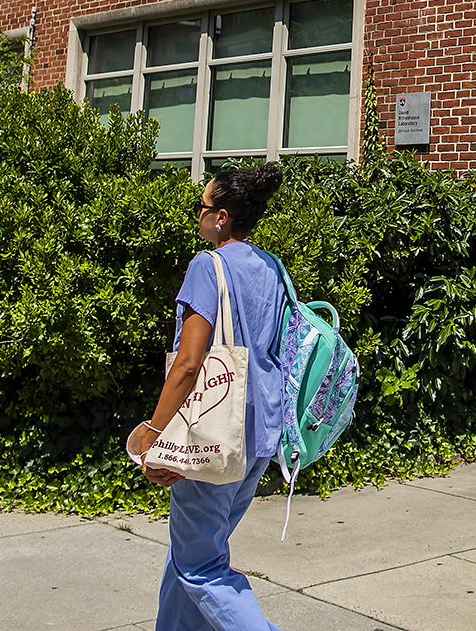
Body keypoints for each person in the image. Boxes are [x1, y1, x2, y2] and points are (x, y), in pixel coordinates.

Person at [129, 164, 291, 631]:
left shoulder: (208, 265)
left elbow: (188, 362)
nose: (197, 215)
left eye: (202, 207)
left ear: (220, 217)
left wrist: (153, 434)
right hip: (260, 434)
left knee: (200, 567)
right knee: (192, 555)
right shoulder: (271, 267)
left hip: (214, 434)